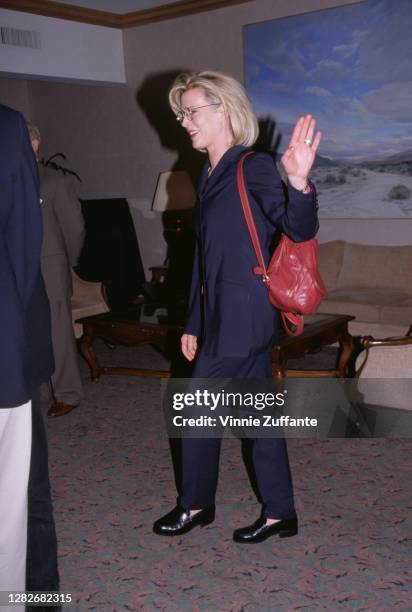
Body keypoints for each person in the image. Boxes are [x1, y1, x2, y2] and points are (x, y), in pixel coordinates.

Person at [153, 71, 321, 543]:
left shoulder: (253, 166)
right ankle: (279, 512)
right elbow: (204, 263)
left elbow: (297, 228)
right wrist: (194, 321)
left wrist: (300, 183)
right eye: (181, 113)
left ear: (223, 109)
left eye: (192, 111)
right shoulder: (208, 173)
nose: (184, 122)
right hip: (221, 313)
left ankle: (195, 505)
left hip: (246, 313)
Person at [0, 105, 55, 607]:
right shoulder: (7, 128)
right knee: (26, 490)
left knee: (30, 487)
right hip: (11, 344)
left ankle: (42, 593)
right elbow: (20, 255)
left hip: (21, 343)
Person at [28, 123, 85, 418]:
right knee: (29, 333)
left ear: (36, 143)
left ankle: (67, 393)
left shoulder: (53, 180)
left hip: (50, 267)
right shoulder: (9, 179)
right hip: (19, 273)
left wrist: (66, 262)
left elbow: (74, 228)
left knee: (58, 333)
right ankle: (35, 391)